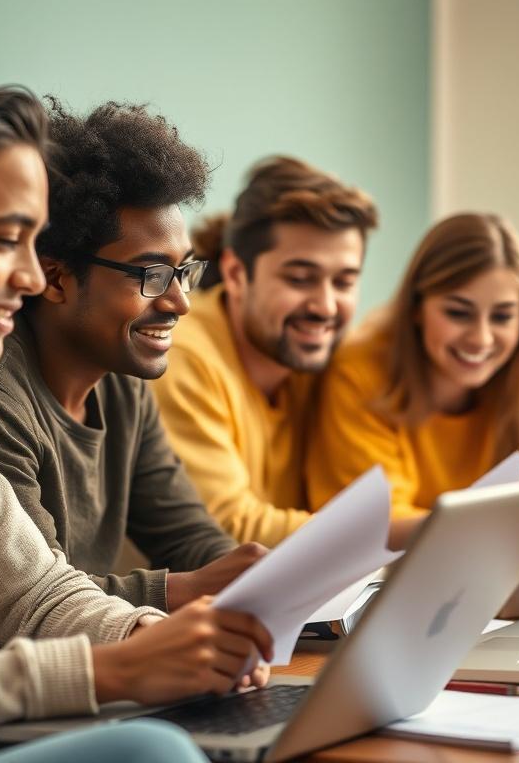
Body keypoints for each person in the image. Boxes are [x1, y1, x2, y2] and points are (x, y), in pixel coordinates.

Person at [0, 62, 269, 763]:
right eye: (6, 239)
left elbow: (39, 594)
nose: (35, 278)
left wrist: (148, 640)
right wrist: (115, 670)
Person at [0, 99, 263, 619]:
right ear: (57, 277)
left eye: (184, 272)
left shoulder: (121, 381)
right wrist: (187, 589)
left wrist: (258, 579)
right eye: (152, 275)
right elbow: (29, 595)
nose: (179, 302)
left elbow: (186, 535)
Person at [152, 156, 379, 546]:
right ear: (238, 274)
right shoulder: (180, 356)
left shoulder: (321, 359)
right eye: (300, 279)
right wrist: (393, 535)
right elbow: (227, 530)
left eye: (343, 282)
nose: (325, 306)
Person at [306, 212, 519, 518]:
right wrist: (490, 527)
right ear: (416, 306)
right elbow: (372, 524)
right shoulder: (359, 372)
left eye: (502, 317)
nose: (481, 339)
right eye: (458, 313)